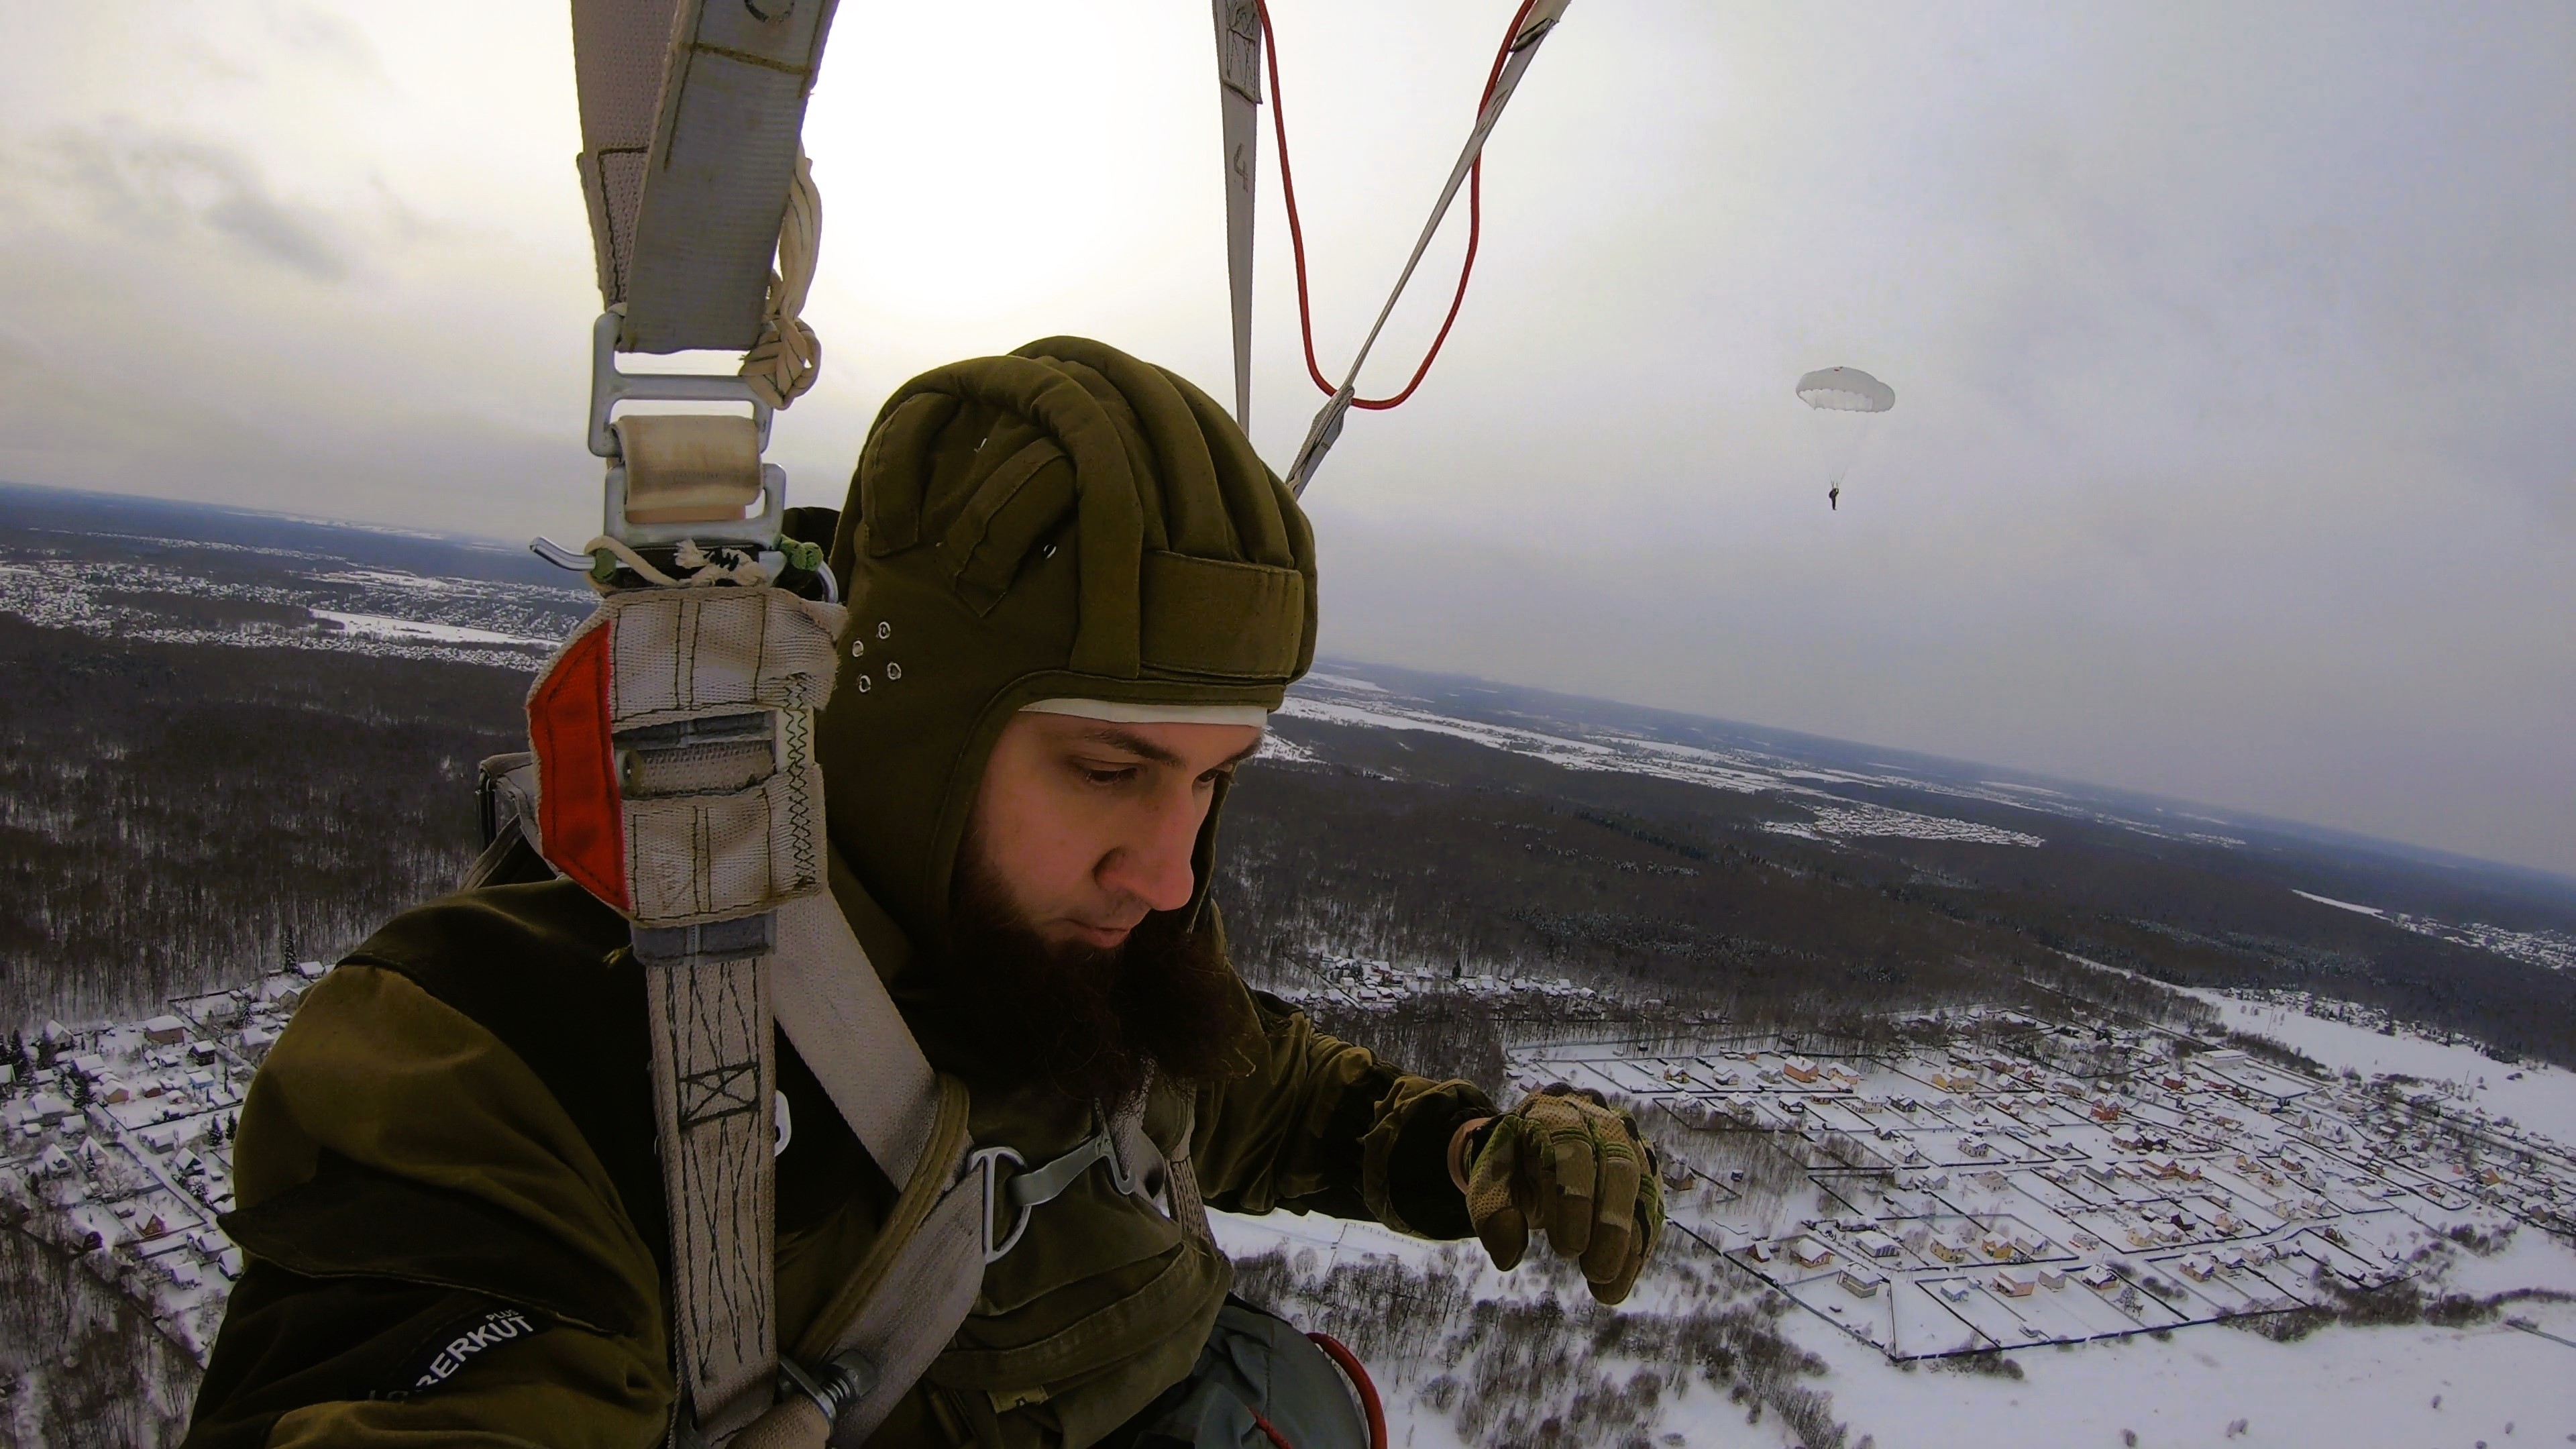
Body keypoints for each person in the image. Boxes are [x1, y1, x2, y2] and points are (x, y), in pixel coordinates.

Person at [182, 339, 1662, 1449]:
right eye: (1108, 768)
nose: (1167, 869)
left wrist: (1473, 1148)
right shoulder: (521, 1048)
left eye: (1213, 780)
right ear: (911, 736)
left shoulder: (1090, 938)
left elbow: (1245, 1090)